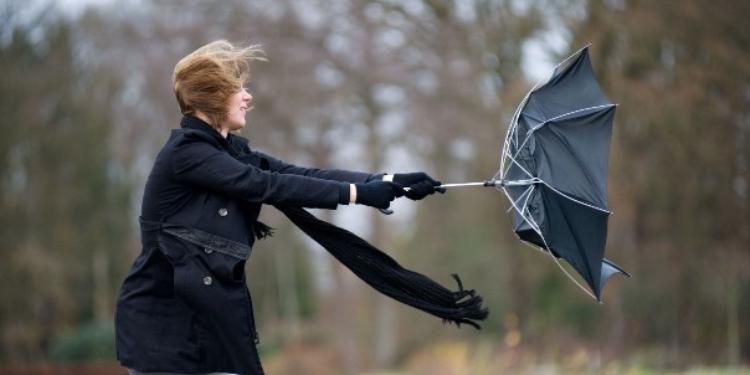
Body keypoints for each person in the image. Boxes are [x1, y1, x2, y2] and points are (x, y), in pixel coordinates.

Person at [114, 40, 443, 375]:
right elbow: (265, 185)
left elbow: (296, 174)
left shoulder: (228, 152)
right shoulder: (185, 154)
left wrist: (387, 180)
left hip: (211, 329)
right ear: (212, 95)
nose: (248, 97)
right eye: (237, 88)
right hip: (164, 336)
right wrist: (359, 194)